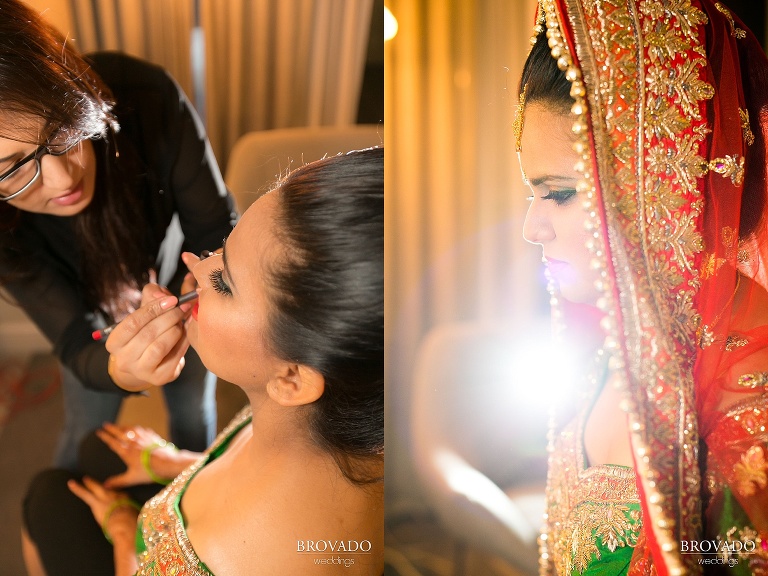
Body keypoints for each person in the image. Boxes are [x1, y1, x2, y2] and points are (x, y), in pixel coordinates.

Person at [21, 147, 385, 575]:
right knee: (95, 450)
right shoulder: (330, 420)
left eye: (224, 282)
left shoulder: (227, 555)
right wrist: (176, 463)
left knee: (45, 498)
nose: (194, 264)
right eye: (221, 247)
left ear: (291, 379)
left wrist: (123, 533)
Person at [515, 0, 768, 574]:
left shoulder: (750, 408)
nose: (532, 228)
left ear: (655, 185)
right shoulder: (602, 356)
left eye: (558, 192)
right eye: (530, 193)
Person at [0, 0, 237, 468]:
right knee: (87, 435)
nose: (64, 178)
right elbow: (73, 339)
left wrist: (197, 288)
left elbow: (213, 226)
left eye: (62, 131)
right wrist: (117, 368)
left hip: (181, 292)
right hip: (92, 329)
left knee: (194, 413)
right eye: (12, 169)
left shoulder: (145, 97)